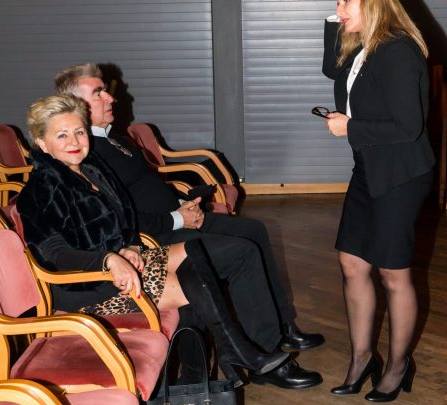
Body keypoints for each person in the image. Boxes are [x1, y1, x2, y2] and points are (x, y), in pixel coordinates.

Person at [54, 63, 324, 389]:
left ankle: (282, 326)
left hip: (173, 217)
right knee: (242, 252)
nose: (110, 97)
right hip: (154, 235)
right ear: (75, 106)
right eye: (98, 93)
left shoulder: (113, 139)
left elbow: (145, 187)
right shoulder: (84, 155)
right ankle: (265, 354)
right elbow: (121, 218)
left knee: (254, 231)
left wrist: (183, 204)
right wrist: (179, 217)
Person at [16, 94, 289, 388]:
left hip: (117, 266)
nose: (74, 141)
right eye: (62, 135)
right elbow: (56, 254)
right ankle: (225, 356)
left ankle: (206, 370)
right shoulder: (40, 189)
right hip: (85, 286)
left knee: (193, 254)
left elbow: (125, 216)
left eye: (79, 131)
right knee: (191, 283)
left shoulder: (90, 168)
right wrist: (109, 260)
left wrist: (131, 245)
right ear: (42, 143)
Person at [322, 0, 435, 402]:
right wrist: (338, 18)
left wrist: (351, 127)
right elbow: (330, 67)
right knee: (352, 262)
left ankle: (399, 366)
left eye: (344, 1)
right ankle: (362, 358)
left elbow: (408, 127)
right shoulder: (362, 46)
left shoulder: (397, 49)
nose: (338, 9)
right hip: (370, 167)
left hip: (401, 174)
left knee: (392, 272)